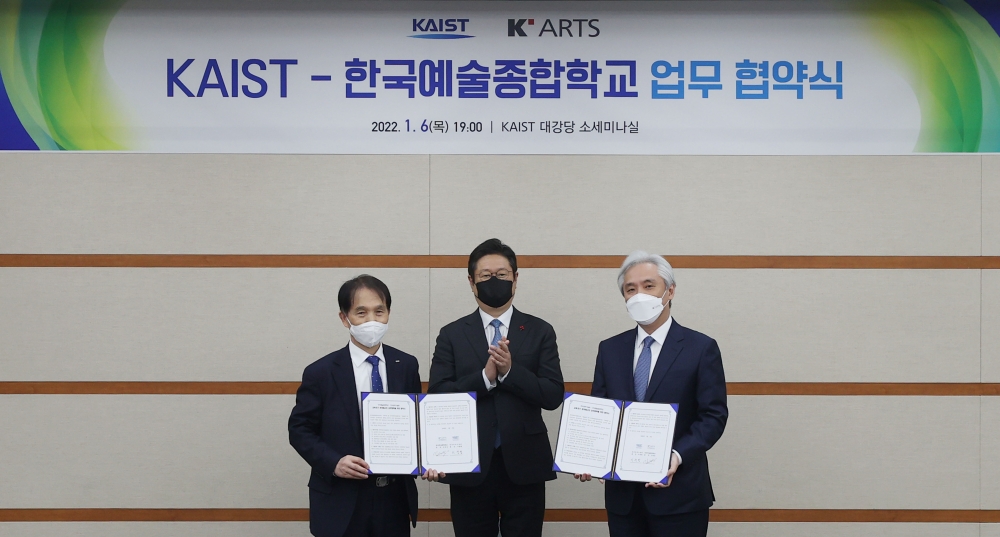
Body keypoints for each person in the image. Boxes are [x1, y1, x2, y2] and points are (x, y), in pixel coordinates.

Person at [576, 251, 728, 537]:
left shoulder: (701, 348)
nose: (638, 295)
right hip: (624, 500)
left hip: (680, 496)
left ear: (669, 291)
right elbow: (599, 413)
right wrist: (589, 455)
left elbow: (713, 416)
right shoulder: (610, 349)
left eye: (649, 286)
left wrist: (677, 455)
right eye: (630, 289)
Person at [428, 238, 564, 537]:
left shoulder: (540, 330)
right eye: (485, 276)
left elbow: (553, 394)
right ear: (471, 282)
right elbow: (437, 397)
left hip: (526, 464)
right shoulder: (451, 334)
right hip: (469, 463)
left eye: (502, 275)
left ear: (515, 279)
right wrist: (486, 378)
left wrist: (510, 372)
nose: (494, 281)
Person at [289, 274, 438, 537]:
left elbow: (417, 424)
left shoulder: (406, 365)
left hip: (393, 498)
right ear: (344, 318)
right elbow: (299, 430)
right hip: (341, 499)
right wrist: (334, 462)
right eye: (361, 312)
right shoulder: (321, 372)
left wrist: (430, 458)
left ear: (388, 313)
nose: (372, 320)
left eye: (379, 311)